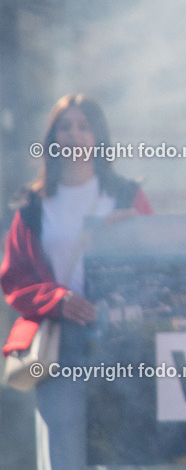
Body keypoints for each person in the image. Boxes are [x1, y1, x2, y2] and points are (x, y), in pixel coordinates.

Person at [1, 94, 153, 470]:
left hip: (121, 341)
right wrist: (57, 299)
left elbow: (158, 261)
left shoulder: (126, 196)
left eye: (84, 126)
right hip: (61, 343)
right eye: (65, 127)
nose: (74, 135)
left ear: (99, 136)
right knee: (63, 456)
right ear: (52, 138)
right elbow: (14, 277)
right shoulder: (33, 204)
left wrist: (134, 230)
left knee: (125, 453)